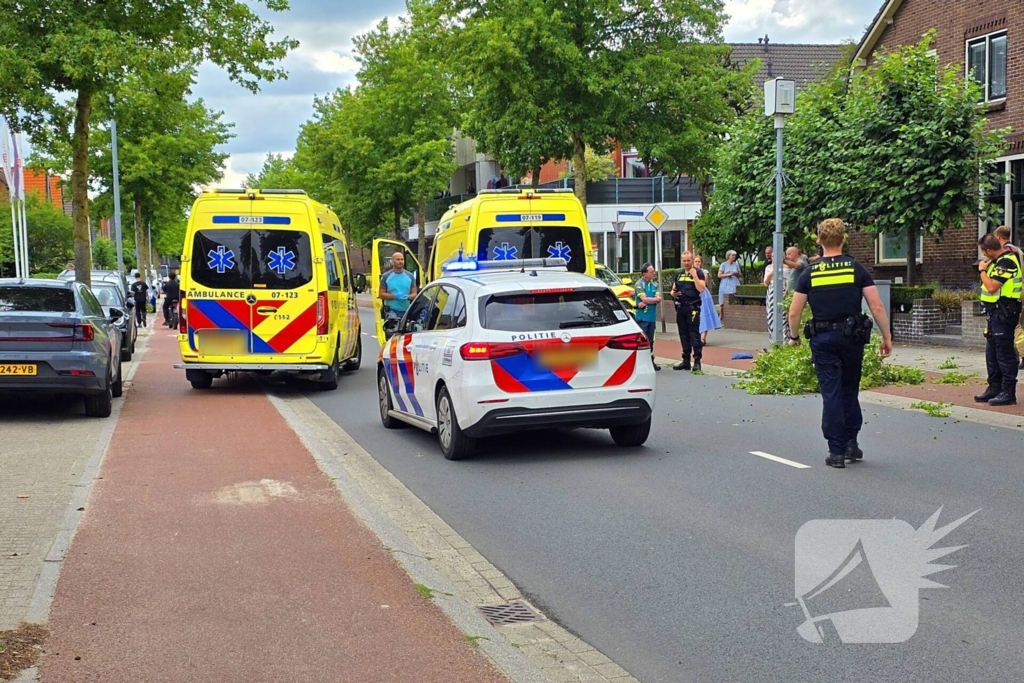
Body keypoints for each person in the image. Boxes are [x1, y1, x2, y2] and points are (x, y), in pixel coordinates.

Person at [787, 218, 893, 469]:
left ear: (820, 241)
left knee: (830, 393)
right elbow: (876, 306)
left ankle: (836, 452)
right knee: (849, 390)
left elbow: (794, 312)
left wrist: (794, 337)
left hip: (822, 340)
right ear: (843, 239)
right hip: (851, 339)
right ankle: (851, 444)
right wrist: (887, 337)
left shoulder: (810, 273)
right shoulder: (856, 269)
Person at [975, 233, 1022, 406]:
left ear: (988, 250)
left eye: (983, 251)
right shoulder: (996, 262)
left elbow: (992, 287)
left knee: (1004, 353)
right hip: (994, 312)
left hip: (1004, 311)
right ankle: (994, 387)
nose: (983, 255)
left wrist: (981, 271)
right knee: (992, 352)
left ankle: (1008, 392)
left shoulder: (1007, 261)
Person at [671, 251, 706, 372]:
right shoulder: (679, 274)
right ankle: (686, 360)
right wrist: (673, 294)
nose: (686, 263)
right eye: (684, 260)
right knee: (683, 334)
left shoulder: (699, 272)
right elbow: (673, 290)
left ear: (692, 260)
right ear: (681, 261)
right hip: (681, 307)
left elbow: (701, 288)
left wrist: (694, 275)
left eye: (688, 260)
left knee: (694, 334)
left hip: (693, 307)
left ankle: (697, 361)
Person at [633, 263, 662, 371]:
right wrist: (651, 300)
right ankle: (639, 364)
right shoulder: (639, 284)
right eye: (651, 271)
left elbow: (658, 298)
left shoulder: (655, 284)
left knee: (651, 341)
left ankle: (650, 361)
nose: (654, 273)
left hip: (652, 318)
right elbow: (644, 299)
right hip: (642, 318)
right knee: (641, 341)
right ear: (645, 273)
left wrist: (649, 300)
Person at [379, 251, 418, 319]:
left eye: (402, 259)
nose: (400, 261)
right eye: (398, 259)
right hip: (391, 310)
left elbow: (414, 293)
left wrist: (408, 297)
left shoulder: (410, 276)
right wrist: (395, 296)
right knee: (394, 329)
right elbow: (381, 294)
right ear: (392, 261)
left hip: (406, 310)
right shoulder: (386, 276)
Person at [694, 256, 721, 345]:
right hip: (694, 295)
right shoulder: (691, 272)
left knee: (705, 315)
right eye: (695, 261)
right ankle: (696, 337)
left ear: (701, 262)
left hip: (703, 295)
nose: (697, 263)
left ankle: (703, 338)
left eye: (699, 261)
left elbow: (703, 284)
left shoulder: (704, 272)